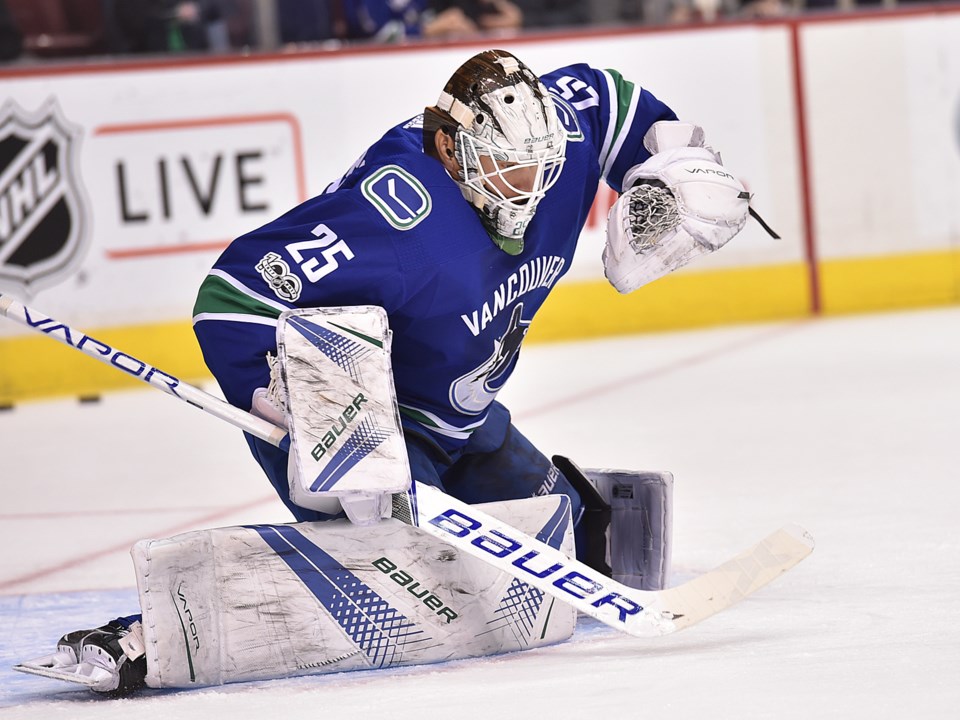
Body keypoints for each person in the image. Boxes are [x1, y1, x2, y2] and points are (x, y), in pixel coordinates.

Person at [24, 48, 752, 696]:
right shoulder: (398, 216)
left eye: (541, 167)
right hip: (366, 427)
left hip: (465, 416)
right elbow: (232, 298)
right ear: (448, 145)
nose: (528, 187)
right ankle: (143, 636)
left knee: (576, 551)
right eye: (504, 168)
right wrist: (313, 426)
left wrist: (665, 161)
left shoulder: (553, 139)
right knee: (410, 586)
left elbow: (611, 97)